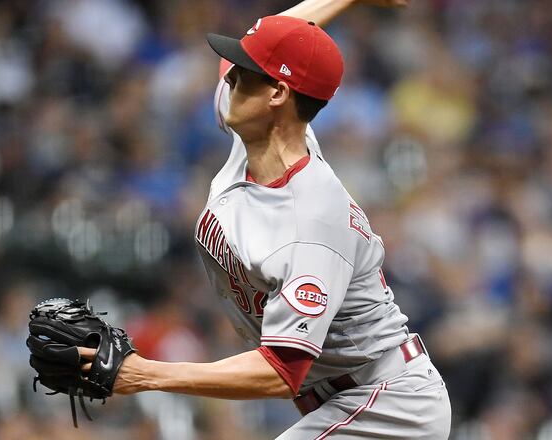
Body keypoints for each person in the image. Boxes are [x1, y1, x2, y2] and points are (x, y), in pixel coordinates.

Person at [79, 0, 452, 438]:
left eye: (244, 72)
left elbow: (278, 372)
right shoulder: (257, 131)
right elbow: (277, 42)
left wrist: (143, 375)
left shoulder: (312, 223)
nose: (229, 75)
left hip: (389, 405)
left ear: (277, 93)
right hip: (341, 397)